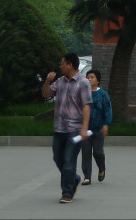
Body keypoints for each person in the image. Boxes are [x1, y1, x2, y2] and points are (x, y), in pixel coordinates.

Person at [43, 52, 92, 204]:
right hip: (59, 128)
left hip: (74, 129)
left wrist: (84, 128)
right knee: (58, 159)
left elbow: (86, 106)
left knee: (69, 161)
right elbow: (46, 94)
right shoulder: (60, 81)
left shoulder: (83, 83)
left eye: (62, 63)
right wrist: (47, 81)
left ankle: (67, 193)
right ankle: (75, 178)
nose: (60, 66)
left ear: (70, 65)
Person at [82, 68, 112, 184]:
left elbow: (108, 110)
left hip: (98, 129)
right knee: (86, 152)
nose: (89, 79)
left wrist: (106, 124)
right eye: (87, 77)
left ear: (98, 80)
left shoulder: (103, 95)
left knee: (98, 152)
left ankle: (101, 167)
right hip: (85, 128)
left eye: (92, 77)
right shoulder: (83, 94)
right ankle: (87, 176)